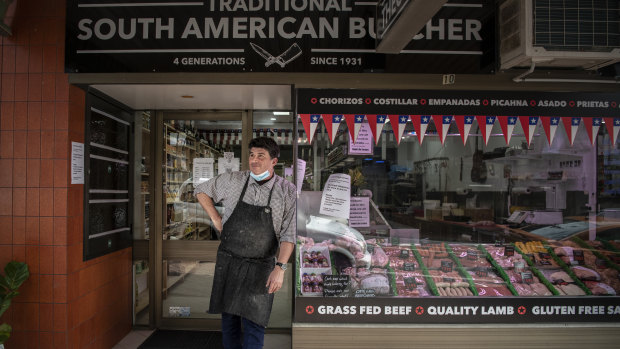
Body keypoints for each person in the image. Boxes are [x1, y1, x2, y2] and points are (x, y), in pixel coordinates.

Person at [194, 137, 296, 349]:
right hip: (230, 261)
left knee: (255, 321)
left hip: (262, 265)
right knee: (229, 319)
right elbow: (201, 190)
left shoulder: (287, 191)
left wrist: (281, 267)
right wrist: (215, 218)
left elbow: (289, 234)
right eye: (252, 155)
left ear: (274, 162)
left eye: (261, 156)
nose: (254, 160)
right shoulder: (233, 180)